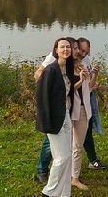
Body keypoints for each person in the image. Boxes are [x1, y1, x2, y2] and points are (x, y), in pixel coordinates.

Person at [35, 37, 75, 197]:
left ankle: (64, 193)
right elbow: (42, 98)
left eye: (68, 47)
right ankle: (49, 192)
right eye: (62, 47)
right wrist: (46, 122)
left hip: (65, 116)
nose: (66, 50)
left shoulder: (68, 68)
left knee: (68, 158)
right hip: (53, 120)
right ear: (56, 50)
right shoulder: (51, 70)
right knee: (61, 157)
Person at [65, 39, 92, 191]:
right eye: (74, 48)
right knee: (65, 145)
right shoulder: (63, 67)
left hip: (83, 109)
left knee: (77, 146)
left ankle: (75, 178)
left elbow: (89, 88)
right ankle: (63, 174)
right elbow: (67, 91)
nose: (76, 51)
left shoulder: (82, 65)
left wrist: (92, 76)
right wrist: (81, 80)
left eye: (76, 48)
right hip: (69, 110)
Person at [75, 38, 106, 170]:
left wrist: (95, 75)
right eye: (82, 50)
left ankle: (92, 160)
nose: (84, 54)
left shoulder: (86, 60)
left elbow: (89, 85)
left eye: (87, 52)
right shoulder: (71, 63)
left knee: (87, 132)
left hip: (87, 101)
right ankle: (42, 168)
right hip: (77, 103)